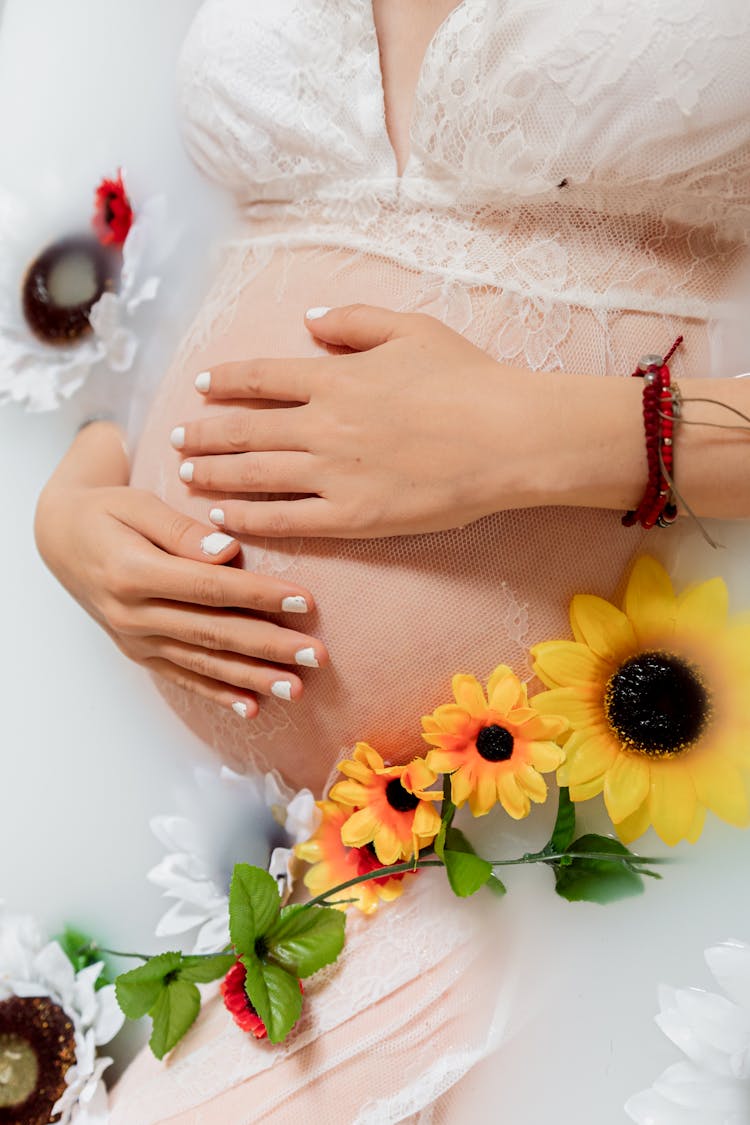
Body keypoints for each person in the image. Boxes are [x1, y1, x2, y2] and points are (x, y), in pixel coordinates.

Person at [33, 0, 750, 1120]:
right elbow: (149, 243)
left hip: (624, 855)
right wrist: (79, 492)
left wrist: (550, 438)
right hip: (294, 861)